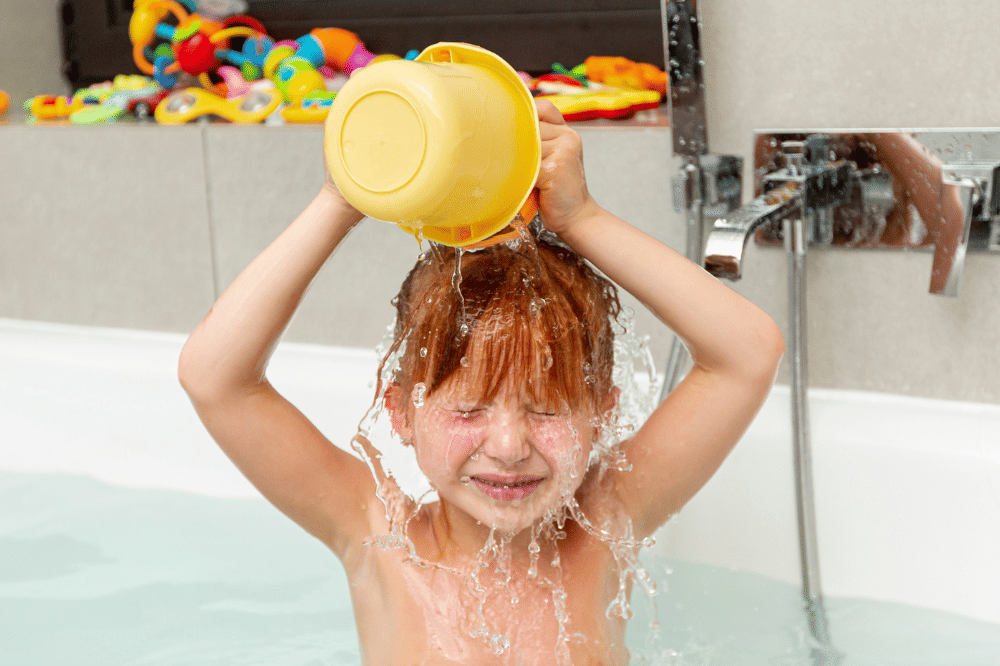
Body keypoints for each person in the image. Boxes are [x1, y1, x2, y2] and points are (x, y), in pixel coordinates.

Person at [178, 99, 784, 665]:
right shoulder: (378, 538)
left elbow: (747, 353)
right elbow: (216, 379)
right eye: (468, 410)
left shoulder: (606, 519)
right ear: (401, 412)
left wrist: (581, 219)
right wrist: (341, 199)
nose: (510, 446)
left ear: (601, 412)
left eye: (546, 410)